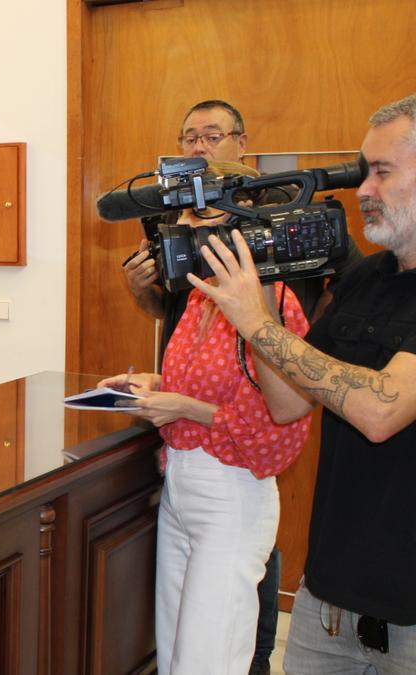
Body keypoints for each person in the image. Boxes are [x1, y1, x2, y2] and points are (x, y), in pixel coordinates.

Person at [190, 94, 416, 673]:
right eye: (363, 173)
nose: (363, 189)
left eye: (383, 173)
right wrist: (261, 278)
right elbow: (287, 402)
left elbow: (380, 408)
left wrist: (256, 323)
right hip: (328, 606)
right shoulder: (366, 277)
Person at [120, 99, 341, 673]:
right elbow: (216, 386)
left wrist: (184, 404)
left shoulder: (275, 305)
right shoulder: (196, 300)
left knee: (207, 661)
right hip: (182, 492)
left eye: (196, 222)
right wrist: (154, 385)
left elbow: (280, 431)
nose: (183, 235)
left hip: (231, 498)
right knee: (174, 658)